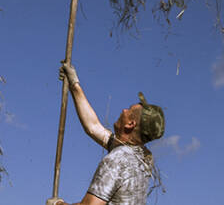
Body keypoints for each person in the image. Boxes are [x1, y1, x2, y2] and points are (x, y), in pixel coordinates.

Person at [47, 63, 165, 205]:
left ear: (130, 124)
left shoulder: (118, 159)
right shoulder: (141, 158)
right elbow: (93, 127)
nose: (124, 110)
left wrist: (58, 204)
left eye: (129, 110)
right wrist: (74, 84)